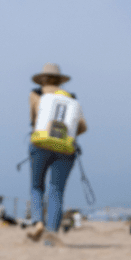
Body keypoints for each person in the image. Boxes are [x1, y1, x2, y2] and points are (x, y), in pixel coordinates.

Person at [26, 63, 87, 243]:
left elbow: (34, 120)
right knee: (57, 191)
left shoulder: (36, 95)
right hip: (66, 149)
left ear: (42, 79)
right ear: (60, 81)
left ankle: (38, 222)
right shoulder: (71, 100)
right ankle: (50, 237)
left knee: (37, 186)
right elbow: (82, 126)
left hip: (41, 144)